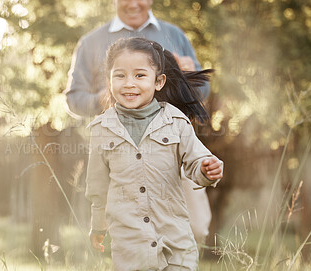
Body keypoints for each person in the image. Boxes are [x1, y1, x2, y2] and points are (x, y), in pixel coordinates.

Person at [65, 0, 212, 244]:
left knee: (195, 229)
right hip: (122, 152)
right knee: (134, 241)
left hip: (173, 148)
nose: (133, 3)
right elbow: (73, 100)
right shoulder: (91, 42)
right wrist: (105, 97)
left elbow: (203, 91)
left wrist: (188, 79)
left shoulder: (174, 34)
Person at [85, 37, 223, 271]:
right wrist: (98, 227)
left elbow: (195, 160)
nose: (129, 84)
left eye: (139, 75)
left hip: (175, 244)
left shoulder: (176, 122)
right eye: (119, 76)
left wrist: (206, 169)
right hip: (130, 248)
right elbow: (97, 188)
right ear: (109, 81)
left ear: (158, 81)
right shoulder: (101, 129)